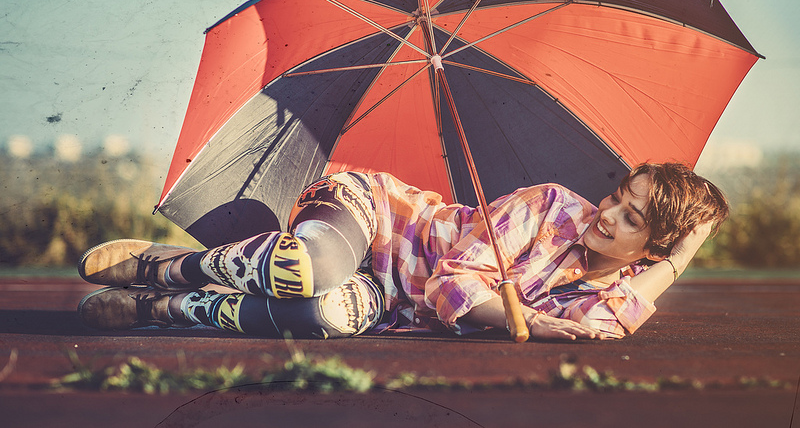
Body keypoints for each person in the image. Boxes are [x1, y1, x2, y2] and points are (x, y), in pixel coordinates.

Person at [77, 162, 728, 341]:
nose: (608, 212)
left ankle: (160, 311)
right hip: (374, 217)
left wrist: (684, 250)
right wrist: (519, 320)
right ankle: (161, 266)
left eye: (633, 216)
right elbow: (451, 288)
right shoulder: (552, 205)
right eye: (620, 195)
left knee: (318, 316)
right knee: (312, 268)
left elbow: (611, 323)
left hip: (390, 299)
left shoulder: (605, 295)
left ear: (656, 244)